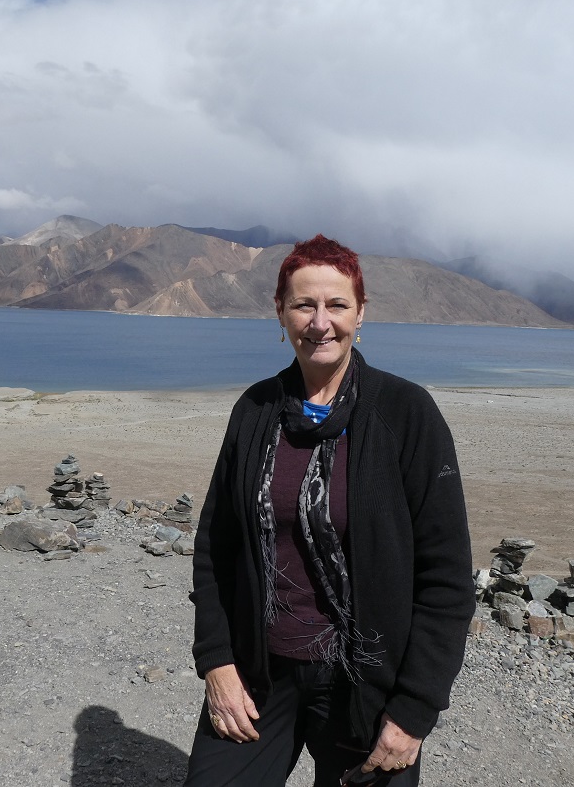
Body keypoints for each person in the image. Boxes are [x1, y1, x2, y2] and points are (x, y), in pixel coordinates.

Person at [183, 234, 475, 787]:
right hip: (257, 674)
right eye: (304, 305)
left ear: (361, 313)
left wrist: (414, 709)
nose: (321, 323)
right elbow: (215, 548)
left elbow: (446, 577)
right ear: (280, 312)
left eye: (337, 305)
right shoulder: (254, 410)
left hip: (364, 683)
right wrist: (217, 663)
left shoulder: (406, 415)